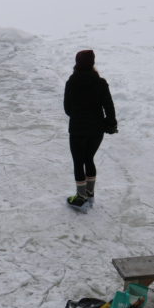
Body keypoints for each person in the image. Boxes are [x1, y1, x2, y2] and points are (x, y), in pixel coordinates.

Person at [63, 49, 117, 210]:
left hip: (78, 129)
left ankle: (80, 197)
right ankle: (90, 195)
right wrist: (111, 124)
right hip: (96, 130)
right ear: (92, 63)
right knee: (89, 159)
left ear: (77, 63)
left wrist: (78, 114)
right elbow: (109, 107)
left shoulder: (72, 82)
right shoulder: (100, 82)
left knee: (79, 162)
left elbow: (67, 109)